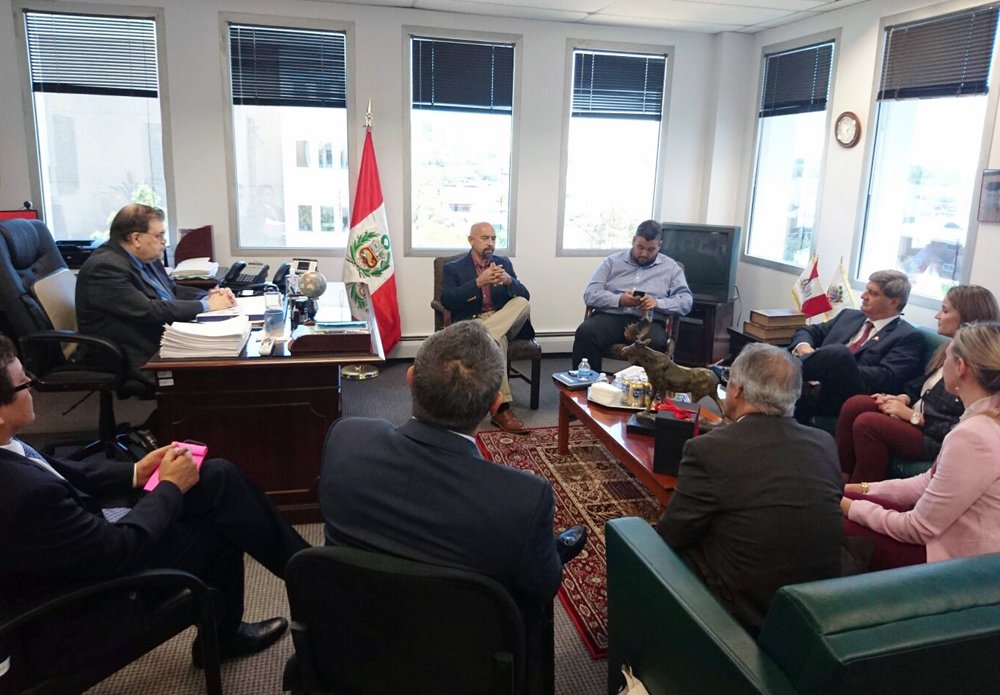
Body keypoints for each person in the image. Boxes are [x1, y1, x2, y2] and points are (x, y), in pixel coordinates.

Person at [0, 334, 309, 682]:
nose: (33, 386)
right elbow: (118, 550)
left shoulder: (7, 449)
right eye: (24, 383)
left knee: (217, 480)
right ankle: (317, 585)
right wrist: (170, 486)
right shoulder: (24, 495)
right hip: (84, 603)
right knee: (221, 521)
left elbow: (66, 473)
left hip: (80, 552)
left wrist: (137, 471)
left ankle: (312, 576)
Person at [319, 320, 586, 610]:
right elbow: (541, 590)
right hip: (465, 635)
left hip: (349, 621)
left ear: (410, 378)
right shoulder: (524, 498)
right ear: (495, 404)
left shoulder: (346, 439)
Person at [657, 343, 842, 634]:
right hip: (817, 612)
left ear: (737, 391)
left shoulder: (709, 450)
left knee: (652, 546)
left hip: (743, 616)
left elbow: (673, 535)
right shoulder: (825, 444)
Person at [842, 321, 1000, 571]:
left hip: (956, 563)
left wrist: (848, 506)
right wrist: (856, 489)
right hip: (954, 545)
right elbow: (925, 483)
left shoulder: (974, 435)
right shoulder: (984, 417)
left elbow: (917, 529)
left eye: (947, 357)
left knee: (830, 517)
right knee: (840, 500)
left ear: (960, 367)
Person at [837, 285, 1000, 482]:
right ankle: (841, 478)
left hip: (933, 436)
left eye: (945, 311)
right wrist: (902, 399)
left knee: (869, 424)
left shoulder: (977, 371)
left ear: (967, 317)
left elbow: (960, 426)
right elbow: (923, 388)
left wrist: (913, 416)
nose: (937, 316)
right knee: (856, 404)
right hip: (915, 416)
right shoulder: (947, 349)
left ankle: (862, 489)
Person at [76, 204, 237, 382]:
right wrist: (206, 306)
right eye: (159, 235)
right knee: (221, 371)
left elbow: (172, 289)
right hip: (135, 352)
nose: (164, 241)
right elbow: (148, 310)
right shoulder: (105, 267)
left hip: (160, 336)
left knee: (230, 353)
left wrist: (208, 296)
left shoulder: (145, 257)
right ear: (136, 238)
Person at [790, 269, 924, 423]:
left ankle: (785, 372)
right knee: (780, 388)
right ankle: (783, 374)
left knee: (839, 354)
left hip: (850, 395)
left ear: (894, 302)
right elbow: (809, 331)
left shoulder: (908, 336)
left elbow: (887, 376)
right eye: (866, 290)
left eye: (873, 293)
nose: (863, 296)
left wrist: (832, 370)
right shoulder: (849, 316)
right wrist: (804, 346)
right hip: (809, 383)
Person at [440, 221, 533, 434]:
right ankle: (502, 409)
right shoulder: (454, 268)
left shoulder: (503, 263)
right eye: (485, 238)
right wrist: (477, 283)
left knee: (522, 303)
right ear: (471, 240)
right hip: (475, 320)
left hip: (503, 318)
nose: (490, 243)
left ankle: (479, 337)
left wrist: (509, 281)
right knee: (496, 341)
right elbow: (447, 300)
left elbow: (524, 295)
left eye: (493, 238)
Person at [573, 220, 692, 373]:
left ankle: (646, 387)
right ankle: (585, 384)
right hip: (611, 317)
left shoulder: (671, 268)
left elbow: (686, 302)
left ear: (659, 245)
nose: (644, 254)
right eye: (640, 247)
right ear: (633, 240)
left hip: (648, 322)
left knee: (656, 344)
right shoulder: (612, 262)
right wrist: (619, 300)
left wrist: (658, 303)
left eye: (651, 249)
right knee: (586, 333)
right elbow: (590, 294)